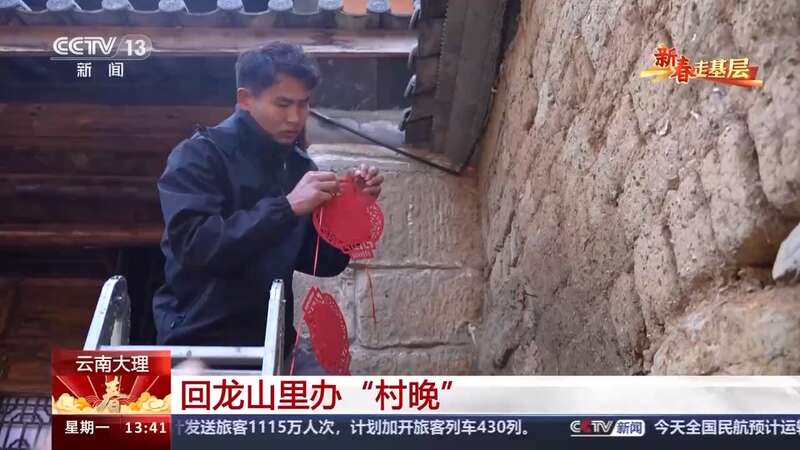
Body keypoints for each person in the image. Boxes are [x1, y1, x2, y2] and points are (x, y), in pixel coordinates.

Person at [152, 42, 383, 373]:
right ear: (246, 98)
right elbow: (195, 245)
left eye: (304, 104)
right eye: (283, 104)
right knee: (179, 402)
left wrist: (352, 209)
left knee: (336, 400)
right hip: (198, 341)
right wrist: (286, 207)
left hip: (274, 341)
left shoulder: (299, 166)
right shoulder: (198, 156)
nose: (295, 118)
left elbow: (322, 262)